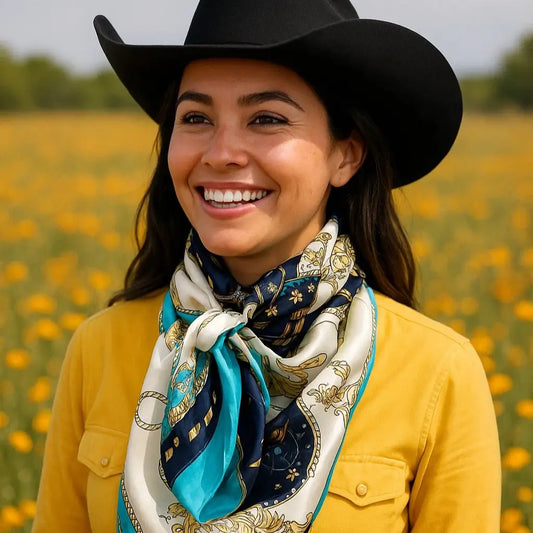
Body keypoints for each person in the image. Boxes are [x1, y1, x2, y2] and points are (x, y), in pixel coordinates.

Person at [32, 1, 501, 531]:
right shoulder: (100, 348)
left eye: (267, 119)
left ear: (345, 155)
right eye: (196, 118)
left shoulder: (437, 371)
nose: (222, 152)